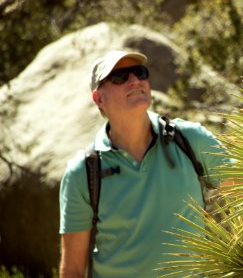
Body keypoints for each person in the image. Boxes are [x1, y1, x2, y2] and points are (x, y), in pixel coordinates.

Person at [59, 50, 230, 277]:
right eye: (120, 77)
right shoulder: (83, 172)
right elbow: (72, 271)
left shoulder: (190, 139)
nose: (135, 81)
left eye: (139, 73)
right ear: (99, 98)